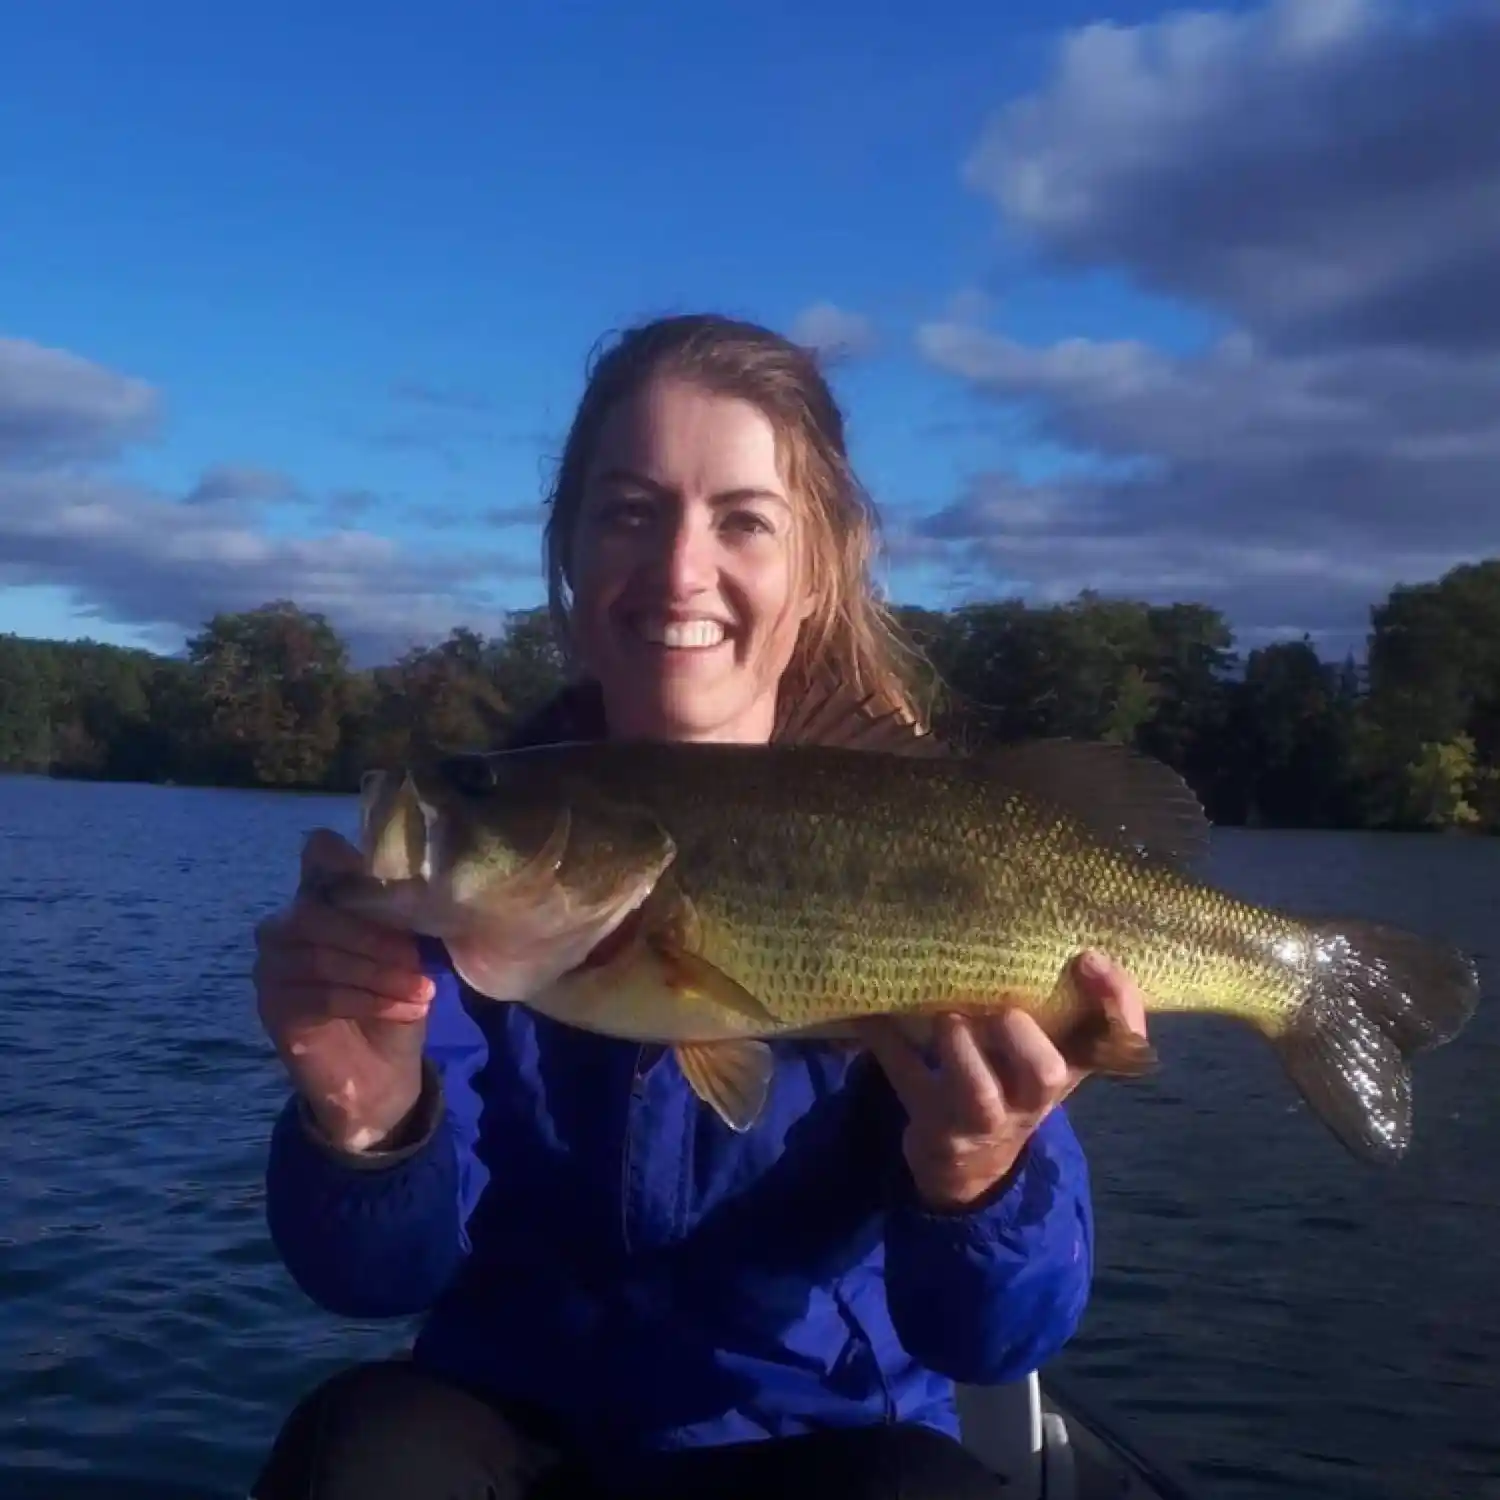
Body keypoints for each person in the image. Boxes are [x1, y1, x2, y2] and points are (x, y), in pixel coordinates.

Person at [249, 313, 1149, 1500]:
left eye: (743, 521)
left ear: (817, 567)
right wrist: (367, 1130)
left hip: (813, 1440)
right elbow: (372, 1281)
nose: (681, 569)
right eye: (629, 510)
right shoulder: (460, 909)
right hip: (515, 1427)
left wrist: (979, 1176)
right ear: (569, 556)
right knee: (357, 1452)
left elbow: (992, 1341)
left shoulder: (930, 836)